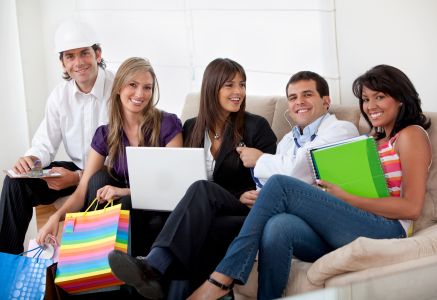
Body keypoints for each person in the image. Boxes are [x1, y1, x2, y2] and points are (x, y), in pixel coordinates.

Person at [189, 64, 432, 300]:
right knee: (279, 225)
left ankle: (223, 278)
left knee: (281, 184)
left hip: (388, 229)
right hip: (351, 222)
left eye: (379, 97)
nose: (371, 106)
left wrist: (345, 198)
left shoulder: (410, 134)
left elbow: (411, 207)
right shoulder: (371, 140)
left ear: (401, 98)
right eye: (366, 100)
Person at [107, 58, 278, 299]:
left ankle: (153, 265)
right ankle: (161, 284)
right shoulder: (192, 127)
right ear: (212, 88)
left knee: (201, 188)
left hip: (240, 211)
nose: (238, 91)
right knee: (182, 227)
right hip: (202, 214)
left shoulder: (256, 127)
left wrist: (248, 181)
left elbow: (274, 180)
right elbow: (176, 174)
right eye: (230, 85)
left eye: (242, 84)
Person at [36, 57, 183, 245]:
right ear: (119, 88)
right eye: (133, 84)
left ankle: (115, 261)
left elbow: (174, 185)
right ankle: (93, 257)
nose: (140, 93)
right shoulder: (106, 133)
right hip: (126, 214)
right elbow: (83, 190)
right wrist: (55, 218)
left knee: (126, 203)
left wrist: (123, 191)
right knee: (98, 180)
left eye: (147, 87)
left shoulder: (167, 124)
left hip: (159, 212)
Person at [0, 19, 114, 254]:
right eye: (70, 56)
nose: (78, 62)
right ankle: (6, 264)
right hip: (76, 168)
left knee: (95, 181)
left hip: (108, 175)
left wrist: (78, 178)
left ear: (98, 54)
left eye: (84, 53)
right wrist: (32, 159)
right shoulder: (59, 96)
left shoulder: (118, 90)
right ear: (62, 63)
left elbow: (121, 157)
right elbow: (44, 142)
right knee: (15, 183)